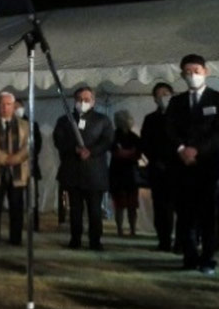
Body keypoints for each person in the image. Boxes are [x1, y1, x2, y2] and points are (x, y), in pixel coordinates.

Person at [166, 54, 219, 275]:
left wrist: (197, 150)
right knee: (185, 215)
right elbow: (170, 131)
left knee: (209, 216)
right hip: (183, 167)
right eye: (188, 72)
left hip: (209, 166)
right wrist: (182, 149)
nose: (193, 75)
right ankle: (189, 256)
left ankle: (207, 258)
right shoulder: (176, 102)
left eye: (197, 70)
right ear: (182, 74)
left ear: (206, 71)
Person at [53, 87, 114, 251]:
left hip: (94, 174)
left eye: (87, 99)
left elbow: (107, 140)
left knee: (95, 211)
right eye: (80, 99)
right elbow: (58, 140)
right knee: (75, 210)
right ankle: (75, 239)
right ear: (75, 100)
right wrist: (73, 148)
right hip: (73, 173)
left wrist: (91, 151)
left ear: (93, 101)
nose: (83, 102)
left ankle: (95, 240)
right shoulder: (65, 120)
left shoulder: (103, 120)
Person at [0, 92, 29, 245]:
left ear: (14, 106)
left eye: (8, 104)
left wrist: (15, 159)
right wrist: (4, 159)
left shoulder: (24, 125)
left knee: (17, 207)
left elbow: (29, 146)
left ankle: (15, 239)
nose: (5, 107)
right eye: (2, 104)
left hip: (17, 172)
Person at [140, 82, 178, 251]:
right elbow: (145, 144)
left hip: (180, 169)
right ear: (155, 99)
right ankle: (164, 241)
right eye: (160, 94)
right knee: (162, 208)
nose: (164, 97)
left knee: (183, 208)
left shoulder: (181, 117)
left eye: (167, 93)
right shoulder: (150, 119)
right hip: (158, 170)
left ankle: (182, 242)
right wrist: (156, 161)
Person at [109, 110, 141, 237]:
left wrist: (124, 153)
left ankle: (130, 229)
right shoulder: (113, 136)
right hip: (119, 174)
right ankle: (121, 229)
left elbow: (137, 154)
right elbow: (116, 152)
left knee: (131, 205)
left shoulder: (134, 137)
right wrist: (130, 153)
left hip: (130, 174)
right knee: (120, 205)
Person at [14, 99, 43, 231]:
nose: (16, 110)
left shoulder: (32, 124)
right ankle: (18, 225)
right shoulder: (9, 124)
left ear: (23, 108)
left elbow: (37, 145)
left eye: (18, 107)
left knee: (32, 199)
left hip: (30, 167)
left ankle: (34, 224)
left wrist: (25, 156)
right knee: (17, 199)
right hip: (14, 167)